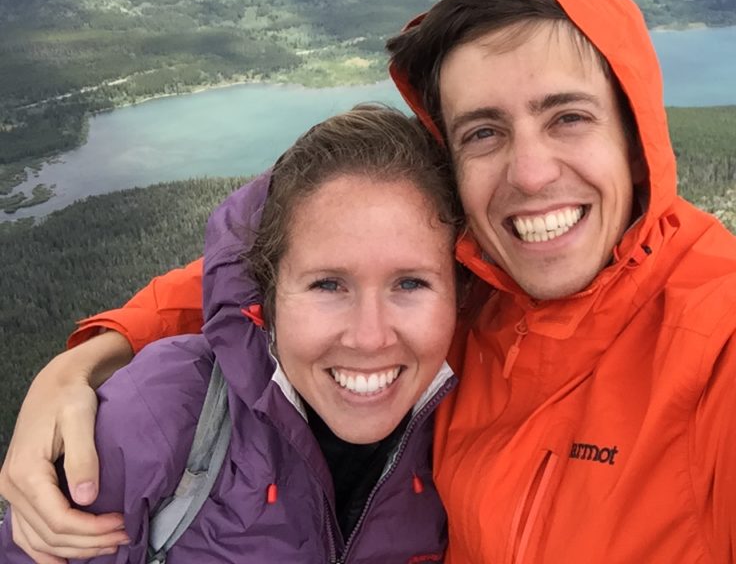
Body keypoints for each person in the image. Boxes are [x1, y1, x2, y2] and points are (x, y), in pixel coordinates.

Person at [3, 0, 736, 563]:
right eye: (484, 132)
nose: (530, 175)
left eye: (568, 117)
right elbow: (286, 266)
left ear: (637, 139)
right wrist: (101, 350)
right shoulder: (477, 280)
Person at [0, 104, 460, 563]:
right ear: (266, 294)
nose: (370, 337)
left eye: (410, 283)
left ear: (461, 292)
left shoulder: (468, 416)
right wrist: (84, 360)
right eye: (327, 284)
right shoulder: (154, 422)